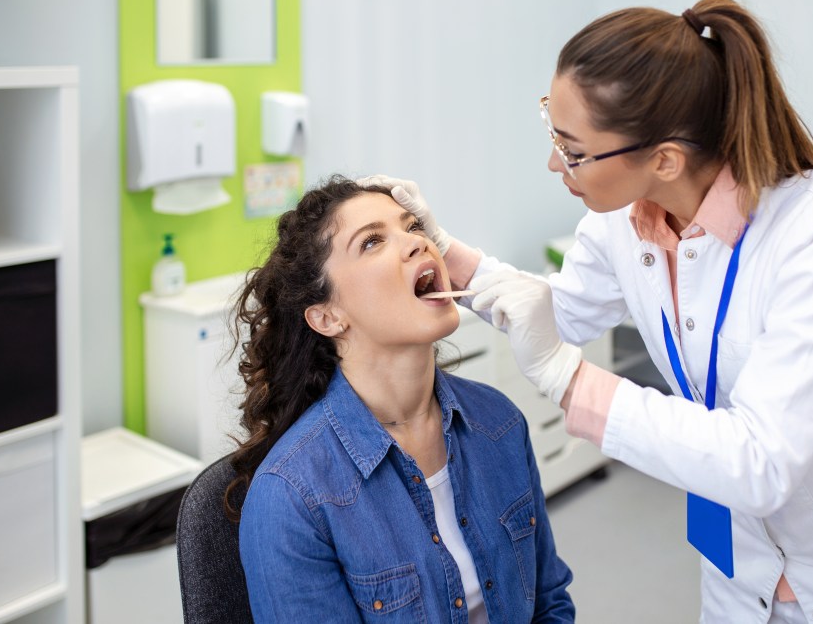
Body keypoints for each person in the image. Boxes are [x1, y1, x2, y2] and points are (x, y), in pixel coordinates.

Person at [364, 0, 813, 622]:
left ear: (664, 159)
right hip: (742, 564)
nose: (555, 162)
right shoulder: (621, 223)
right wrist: (450, 256)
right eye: (552, 127)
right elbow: (562, 310)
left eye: (573, 150)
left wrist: (566, 377)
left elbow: (760, 463)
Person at [227, 176, 574, 622]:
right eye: (372, 242)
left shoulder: (500, 422)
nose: (417, 244)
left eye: (413, 227)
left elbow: (550, 602)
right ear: (328, 316)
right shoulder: (291, 497)